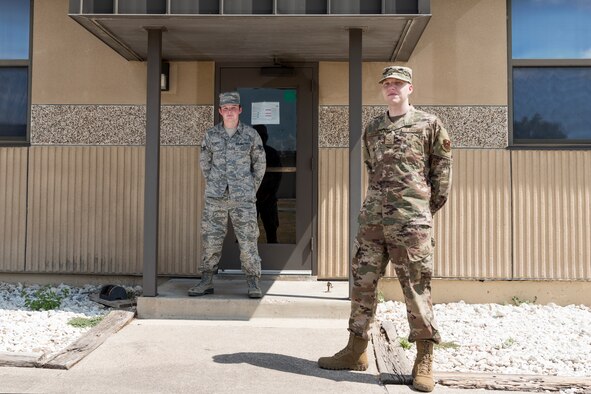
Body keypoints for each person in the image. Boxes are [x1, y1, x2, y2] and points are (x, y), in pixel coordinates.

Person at [317, 66, 452, 393]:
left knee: (416, 287)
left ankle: (423, 358)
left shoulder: (429, 125)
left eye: (399, 84)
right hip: (373, 220)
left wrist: (421, 209)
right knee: (362, 283)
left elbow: (441, 174)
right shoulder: (373, 128)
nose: (392, 88)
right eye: (388, 84)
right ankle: (356, 349)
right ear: (383, 89)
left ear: (410, 89)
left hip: (411, 220)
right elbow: (371, 168)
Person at [189, 92, 266, 299]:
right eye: (226, 108)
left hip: (243, 199)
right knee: (211, 240)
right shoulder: (211, 135)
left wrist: (249, 188)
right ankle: (206, 280)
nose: (229, 111)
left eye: (233, 108)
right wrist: (215, 184)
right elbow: (205, 163)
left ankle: (253, 282)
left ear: (240, 110)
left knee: (248, 240)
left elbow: (259, 165)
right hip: (216, 198)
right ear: (220, 111)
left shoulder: (250, 135)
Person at [253, 124, 282, 244]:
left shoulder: (271, 153)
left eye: (262, 135)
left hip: (268, 199)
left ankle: (274, 256)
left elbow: (277, 176)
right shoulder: (248, 154)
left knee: (271, 230)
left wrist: (268, 194)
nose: (260, 138)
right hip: (251, 199)